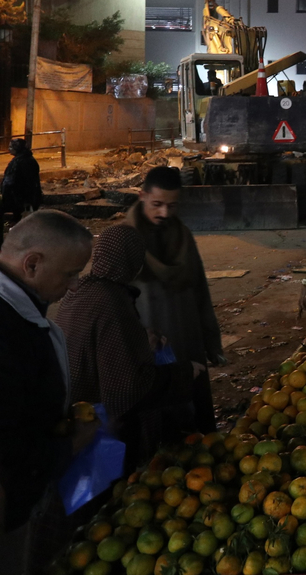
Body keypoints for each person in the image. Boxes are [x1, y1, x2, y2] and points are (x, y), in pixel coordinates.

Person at [56, 225, 199, 471]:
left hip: (73, 404)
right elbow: (129, 385)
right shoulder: (112, 301)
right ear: (134, 261)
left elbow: (105, 344)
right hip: (97, 419)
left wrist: (141, 340)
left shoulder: (81, 290)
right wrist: (184, 373)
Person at [0, 211, 94, 570]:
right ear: (33, 264)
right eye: (70, 274)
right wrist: (70, 445)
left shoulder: (21, 311)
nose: (73, 287)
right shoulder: (7, 331)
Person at [122, 166, 226, 436]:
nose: (164, 213)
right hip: (149, 345)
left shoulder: (183, 236)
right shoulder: (123, 241)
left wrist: (211, 340)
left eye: (171, 206)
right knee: (158, 419)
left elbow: (200, 289)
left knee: (194, 420)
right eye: (157, 204)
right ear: (142, 195)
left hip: (187, 335)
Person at [1, 137, 43, 230]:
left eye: (11, 147)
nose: (9, 149)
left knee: (20, 213)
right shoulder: (23, 159)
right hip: (20, 194)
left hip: (21, 195)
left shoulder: (23, 161)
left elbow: (21, 180)